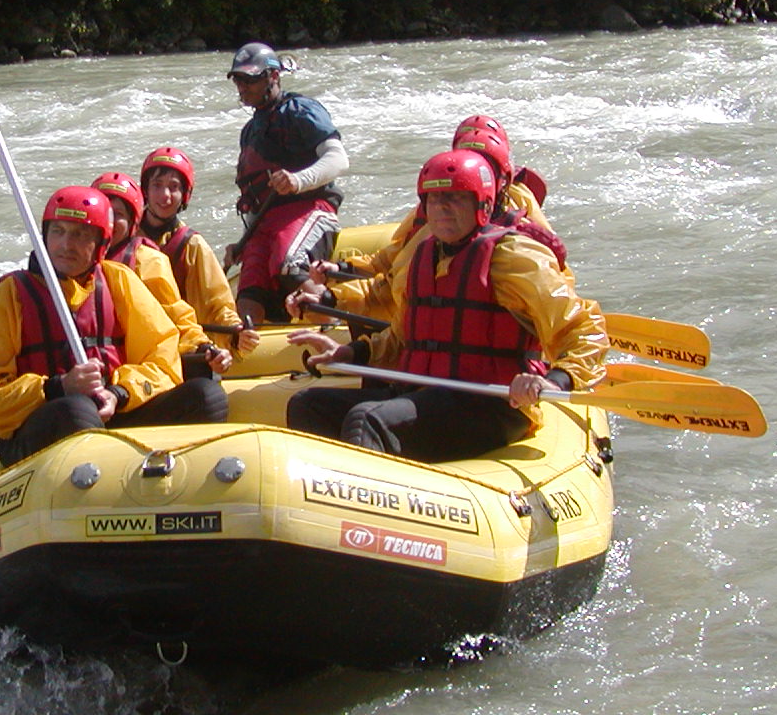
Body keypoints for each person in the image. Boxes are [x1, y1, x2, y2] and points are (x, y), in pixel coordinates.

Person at [285, 149, 605, 461]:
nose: (443, 208)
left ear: (483, 204)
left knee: (368, 419)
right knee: (307, 404)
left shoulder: (514, 258)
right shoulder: (422, 256)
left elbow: (585, 326)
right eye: (435, 199)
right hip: (428, 394)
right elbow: (403, 339)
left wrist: (555, 380)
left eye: (457, 198)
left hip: (492, 404)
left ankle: (364, 508)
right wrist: (350, 352)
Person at [0, 186, 228, 466]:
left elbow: (163, 361)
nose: (66, 245)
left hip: (114, 412)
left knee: (207, 396)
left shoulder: (119, 281)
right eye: (58, 232)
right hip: (47, 424)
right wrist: (59, 387)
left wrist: (120, 394)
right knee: (77, 410)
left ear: (101, 243)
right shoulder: (8, 295)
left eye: (80, 234)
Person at [288, 113, 561, 324]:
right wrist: (339, 279)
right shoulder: (435, 221)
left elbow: (558, 290)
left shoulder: (519, 239)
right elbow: (394, 271)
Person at [225, 42, 348, 325]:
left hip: (309, 208)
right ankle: (248, 347)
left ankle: (336, 326)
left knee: (288, 265)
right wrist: (241, 244)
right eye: (238, 79)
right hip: (265, 221)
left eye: (250, 79)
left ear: (273, 77)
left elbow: (338, 159)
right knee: (249, 290)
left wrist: (298, 180)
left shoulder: (299, 110)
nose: (242, 86)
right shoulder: (250, 130)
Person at [91, 171, 234, 376]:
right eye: (104, 213)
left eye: (119, 215)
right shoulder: (70, 261)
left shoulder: (150, 259)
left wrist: (205, 347)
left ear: (132, 221)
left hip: (138, 371)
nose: (110, 222)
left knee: (207, 393)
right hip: (93, 365)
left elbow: (177, 315)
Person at [137, 146, 261, 359]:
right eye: (157, 185)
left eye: (174, 187)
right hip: (136, 341)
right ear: (145, 190)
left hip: (177, 346)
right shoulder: (124, 237)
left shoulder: (193, 246)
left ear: (184, 195)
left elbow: (217, 306)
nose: (165, 195)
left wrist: (234, 332)